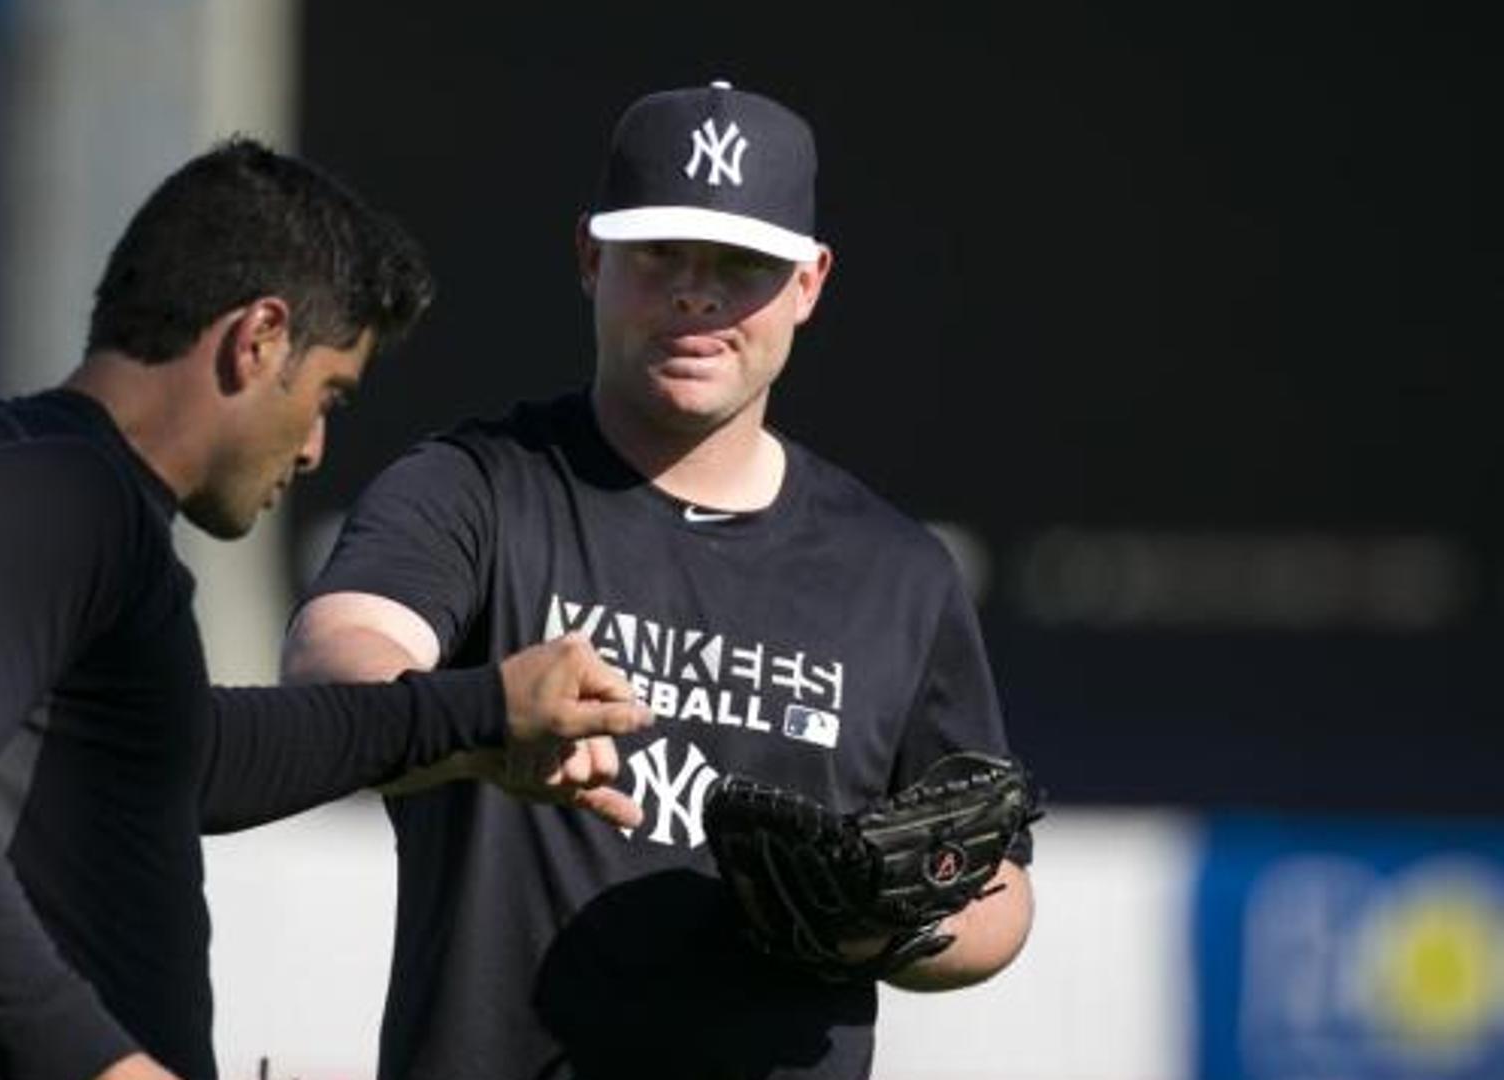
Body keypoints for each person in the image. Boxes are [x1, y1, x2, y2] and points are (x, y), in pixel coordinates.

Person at [0, 136, 651, 1080]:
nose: (314, 448)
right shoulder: (35, 489)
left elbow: (189, 756)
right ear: (258, 338)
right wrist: (103, 1065)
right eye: (328, 396)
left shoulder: (92, 512)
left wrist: (476, 716)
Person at [282, 82, 1035, 1078]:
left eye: (740, 264)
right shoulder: (476, 488)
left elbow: (999, 885)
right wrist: (482, 721)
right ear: (590, 257)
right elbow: (335, 656)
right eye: (660, 255)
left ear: (809, 283)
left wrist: (880, 922)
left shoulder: (899, 573)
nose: (695, 294)